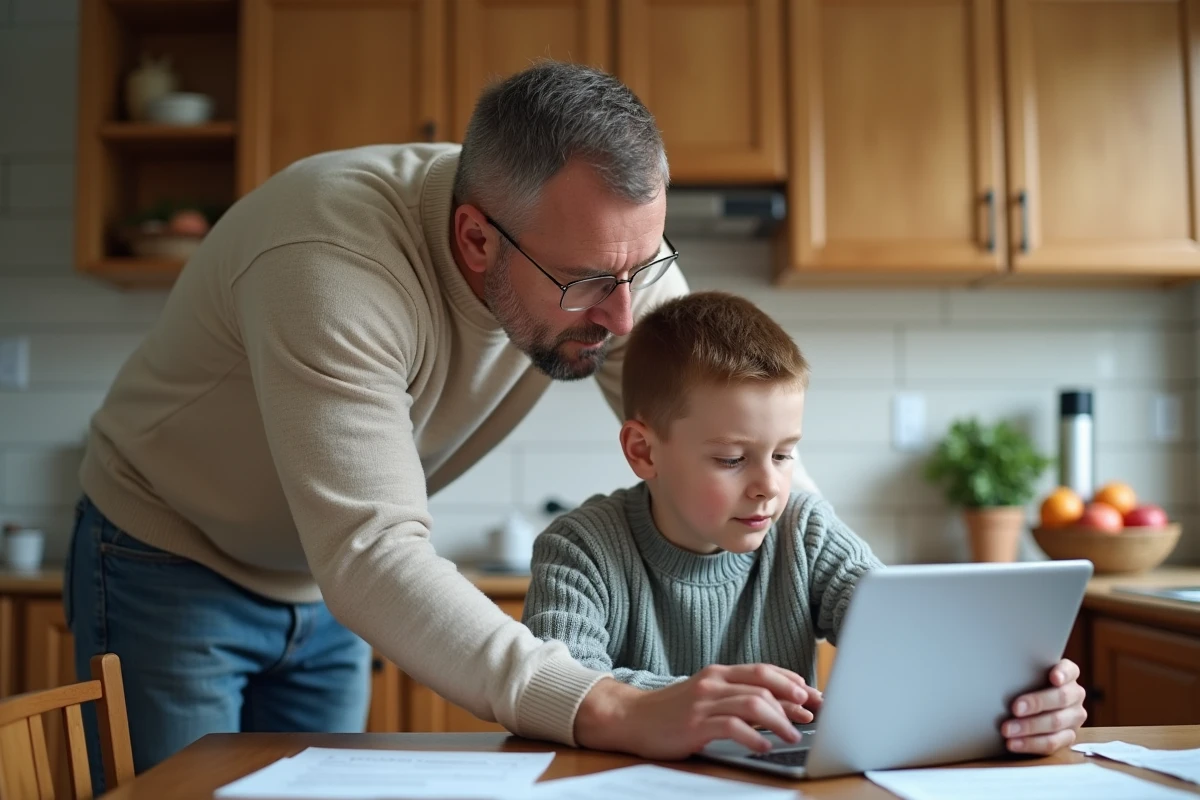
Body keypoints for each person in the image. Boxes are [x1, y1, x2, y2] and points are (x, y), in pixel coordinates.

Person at [65, 61, 825, 787]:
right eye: (588, 281)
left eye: (643, 267)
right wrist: (612, 706)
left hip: (319, 582)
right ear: (474, 239)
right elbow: (372, 553)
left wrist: (883, 607)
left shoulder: (597, 249)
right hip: (166, 556)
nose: (623, 316)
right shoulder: (329, 259)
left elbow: (739, 429)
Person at [522, 290, 1088, 756]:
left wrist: (1021, 699)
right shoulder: (579, 549)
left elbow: (907, 641)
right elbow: (561, 690)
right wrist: (687, 701)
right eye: (731, 459)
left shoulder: (803, 532)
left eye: (784, 454)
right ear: (644, 451)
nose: (769, 485)